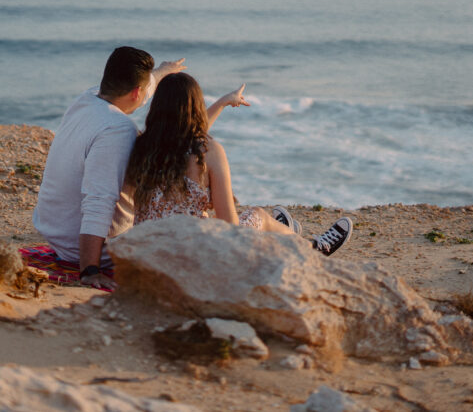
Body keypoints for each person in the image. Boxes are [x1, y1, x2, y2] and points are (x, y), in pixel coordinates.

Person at [32, 47, 250, 290]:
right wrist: (90, 271)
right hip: (88, 248)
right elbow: (98, 202)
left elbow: (178, 133)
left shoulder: (87, 99)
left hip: (55, 231)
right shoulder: (117, 131)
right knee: (253, 220)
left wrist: (163, 72)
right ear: (137, 91)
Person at [126, 72, 353, 256]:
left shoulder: (142, 147)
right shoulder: (209, 151)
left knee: (224, 221)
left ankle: (282, 233)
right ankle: (313, 248)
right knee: (258, 216)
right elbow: (230, 228)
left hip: (147, 254)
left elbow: (183, 138)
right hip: (194, 257)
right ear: (196, 106)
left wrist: (223, 102)